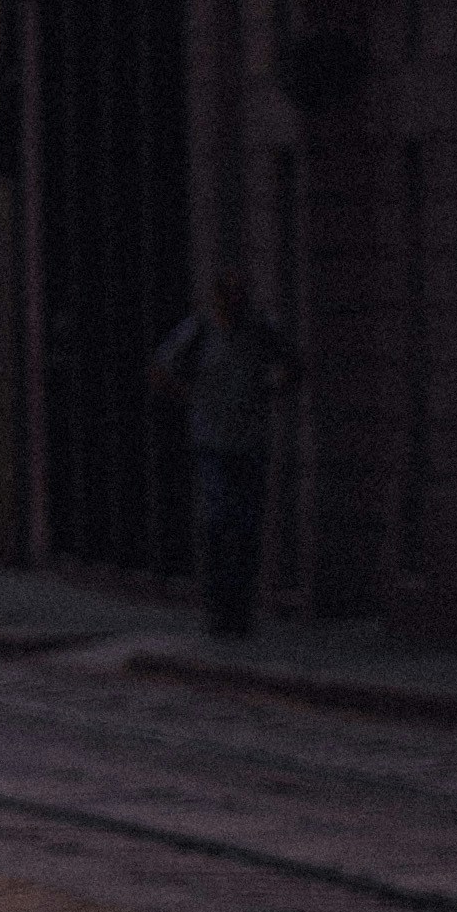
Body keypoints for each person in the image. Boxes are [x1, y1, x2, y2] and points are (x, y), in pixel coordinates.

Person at [152, 272, 302, 639]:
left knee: (247, 527)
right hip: (213, 445)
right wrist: (196, 399)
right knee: (219, 524)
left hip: (250, 442)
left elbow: (293, 364)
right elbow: (161, 370)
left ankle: (241, 611)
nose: (232, 305)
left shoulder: (259, 330)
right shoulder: (199, 331)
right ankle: (219, 609)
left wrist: (267, 390)